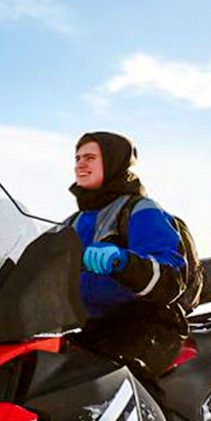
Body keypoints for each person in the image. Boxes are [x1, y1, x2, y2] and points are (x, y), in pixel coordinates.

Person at [68, 131, 192, 379]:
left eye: (90, 157)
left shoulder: (140, 210)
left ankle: (158, 417)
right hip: (91, 328)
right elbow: (38, 268)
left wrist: (122, 262)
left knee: (118, 381)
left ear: (115, 161)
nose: (80, 164)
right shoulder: (70, 224)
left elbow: (172, 274)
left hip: (145, 323)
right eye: (78, 157)